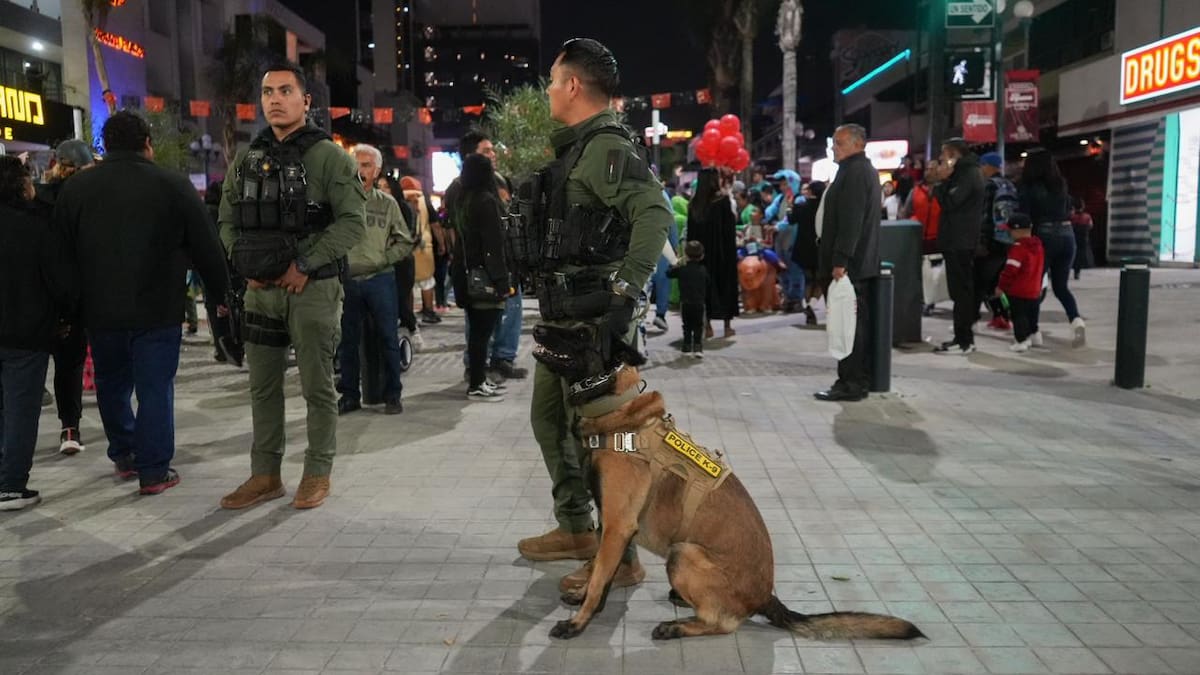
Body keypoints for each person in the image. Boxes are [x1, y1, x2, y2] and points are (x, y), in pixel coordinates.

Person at [518, 38, 672, 596]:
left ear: (574, 86)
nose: (550, 91)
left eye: (554, 81)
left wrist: (624, 298)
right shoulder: (580, 149)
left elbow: (654, 215)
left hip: (596, 324)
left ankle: (623, 556)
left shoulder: (606, 146)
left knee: (612, 442)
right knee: (549, 421)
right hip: (566, 321)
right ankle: (578, 527)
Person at [54, 111, 230, 495]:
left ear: (105, 145)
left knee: (111, 383)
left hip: (100, 311)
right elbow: (207, 248)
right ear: (147, 143)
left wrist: (67, 308)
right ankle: (153, 469)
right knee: (154, 388)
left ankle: (124, 452)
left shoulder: (77, 191)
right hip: (158, 308)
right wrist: (223, 296)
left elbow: (61, 255)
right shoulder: (172, 185)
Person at [217, 62, 366, 511]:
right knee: (262, 387)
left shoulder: (330, 156)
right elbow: (226, 220)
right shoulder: (246, 157)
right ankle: (265, 475)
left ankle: (317, 472)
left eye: (285, 91)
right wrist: (244, 265)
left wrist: (305, 263)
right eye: (267, 92)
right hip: (260, 291)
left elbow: (352, 224)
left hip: (312, 290)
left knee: (318, 387)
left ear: (306, 101)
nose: (275, 99)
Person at [0, 156, 76, 510]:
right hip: (25, 334)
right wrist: (67, 318)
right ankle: (12, 484)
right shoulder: (35, 227)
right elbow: (59, 283)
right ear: (20, 186)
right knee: (20, 409)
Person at [337, 144, 414, 416]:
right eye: (356, 164)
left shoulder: (388, 204)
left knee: (387, 338)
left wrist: (383, 259)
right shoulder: (340, 200)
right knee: (347, 341)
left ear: (377, 170)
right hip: (348, 280)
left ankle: (393, 395)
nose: (360, 169)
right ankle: (349, 396)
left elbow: (405, 241)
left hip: (380, 279)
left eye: (366, 165)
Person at [445, 130, 528, 380]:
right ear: (470, 156)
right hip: (480, 266)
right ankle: (477, 367)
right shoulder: (460, 187)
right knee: (480, 318)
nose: (493, 155)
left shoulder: (501, 180)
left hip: (506, 261)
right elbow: (456, 230)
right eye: (486, 151)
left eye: (493, 150)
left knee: (512, 310)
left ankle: (503, 359)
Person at [34, 139, 94, 455]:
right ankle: (69, 427)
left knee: (29, 368)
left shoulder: (37, 201)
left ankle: (18, 437)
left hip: (39, 297)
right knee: (68, 365)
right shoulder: (87, 202)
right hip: (75, 295)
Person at [814, 124, 880, 402]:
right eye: (833, 143)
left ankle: (851, 382)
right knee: (851, 323)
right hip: (857, 263)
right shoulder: (858, 170)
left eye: (839, 143)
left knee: (849, 325)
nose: (834, 149)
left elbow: (851, 221)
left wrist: (840, 261)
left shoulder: (855, 172)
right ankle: (853, 380)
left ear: (857, 144)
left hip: (850, 266)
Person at [450, 153, 512, 401]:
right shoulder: (487, 201)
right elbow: (493, 245)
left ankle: (478, 379)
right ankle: (476, 383)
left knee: (476, 333)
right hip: (484, 278)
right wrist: (502, 281)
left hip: (465, 275)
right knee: (482, 334)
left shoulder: (462, 199)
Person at [1019, 150, 1086, 346]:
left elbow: (1024, 215)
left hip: (1044, 235)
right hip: (1067, 235)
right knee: (1061, 287)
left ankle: (1034, 332)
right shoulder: (1061, 185)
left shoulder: (1029, 186)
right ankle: (1076, 320)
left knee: (1034, 287)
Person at [932, 138, 985, 355]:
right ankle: (961, 337)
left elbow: (951, 203)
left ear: (955, 155)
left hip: (960, 241)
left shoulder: (968, 174)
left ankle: (965, 341)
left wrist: (942, 183)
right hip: (957, 240)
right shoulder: (965, 173)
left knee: (962, 292)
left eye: (944, 155)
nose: (942, 160)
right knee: (959, 291)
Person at [688, 168, 739, 338]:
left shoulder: (694, 204)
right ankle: (727, 326)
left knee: (705, 290)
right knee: (725, 286)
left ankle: (707, 326)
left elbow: (690, 235)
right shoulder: (722, 201)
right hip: (723, 254)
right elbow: (729, 230)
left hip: (701, 256)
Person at [377, 175, 423, 351]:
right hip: (381, 262)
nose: (382, 190)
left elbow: (407, 236)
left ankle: (412, 330)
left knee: (401, 300)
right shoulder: (375, 206)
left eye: (386, 187)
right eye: (379, 186)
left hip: (401, 261)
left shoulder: (403, 208)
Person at [977, 152, 1018, 331]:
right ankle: (1003, 316)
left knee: (983, 281)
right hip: (1010, 240)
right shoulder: (1010, 185)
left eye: (982, 166)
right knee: (999, 282)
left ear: (988, 166)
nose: (981, 169)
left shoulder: (989, 186)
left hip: (993, 240)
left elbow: (985, 216)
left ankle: (990, 317)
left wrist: (982, 240)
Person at [993, 213, 1044, 353]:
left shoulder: (1018, 248)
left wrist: (1001, 287)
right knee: (1033, 315)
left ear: (1017, 230)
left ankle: (1021, 341)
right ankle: (1035, 336)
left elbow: (1010, 271)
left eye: (1010, 230)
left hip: (1018, 290)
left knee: (1019, 316)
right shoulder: (1038, 246)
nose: (1009, 233)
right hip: (1034, 289)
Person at [401, 177, 440, 324]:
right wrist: (442, 244)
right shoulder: (425, 201)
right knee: (427, 281)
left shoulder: (397, 201)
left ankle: (408, 314)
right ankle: (428, 311)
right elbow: (435, 224)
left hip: (404, 247)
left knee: (408, 283)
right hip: (424, 247)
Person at [667, 240, 709, 356]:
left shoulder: (682, 270)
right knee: (698, 325)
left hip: (685, 302)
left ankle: (686, 346)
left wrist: (675, 263)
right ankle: (698, 347)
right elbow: (708, 284)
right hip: (699, 303)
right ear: (702, 256)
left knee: (687, 325)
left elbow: (669, 273)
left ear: (686, 254)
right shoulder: (703, 270)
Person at [791, 180, 824, 325]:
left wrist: (789, 207)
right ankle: (811, 305)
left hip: (803, 249)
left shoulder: (800, 206)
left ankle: (807, 307)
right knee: (820, 281)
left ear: (810, 192)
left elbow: (791, 220)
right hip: (820, 248)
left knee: (808, 279)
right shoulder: (826, 208)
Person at [1070, 196, 1094, 280]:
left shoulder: (1072, 217)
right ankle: (1077, 272)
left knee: (1074, 255)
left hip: (1074, 238)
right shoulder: (1087, 216)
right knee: (1080, 255)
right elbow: (1091, 226)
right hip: (1083, 239)